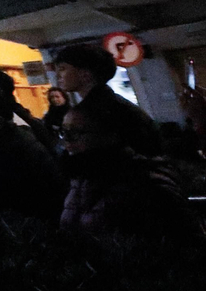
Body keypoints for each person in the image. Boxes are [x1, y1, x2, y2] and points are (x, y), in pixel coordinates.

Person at [58, 99, 193, 239]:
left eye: (75, 132)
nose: (66, 140)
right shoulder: (82, 177)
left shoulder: (143, 183)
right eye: (64, 131)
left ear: (109, 134)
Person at [53, 43, 161, 156]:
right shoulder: (116, 104)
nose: (58, 76)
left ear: (85, 74)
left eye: (62, 69)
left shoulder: (90, 113)